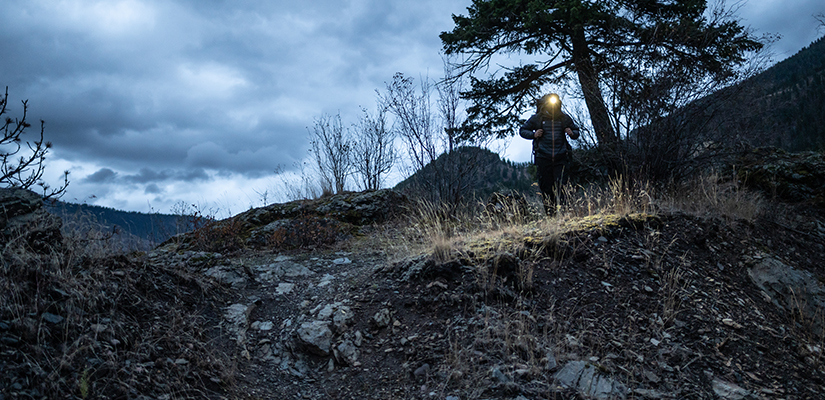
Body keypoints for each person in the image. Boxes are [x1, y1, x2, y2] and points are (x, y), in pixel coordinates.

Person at [519, 93, 580, 215]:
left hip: (561, 157)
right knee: (546, 189)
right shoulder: (537, 118)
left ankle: (565, 215)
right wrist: (533, 134)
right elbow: (522, 130)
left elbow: (576, 131)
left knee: (563, 187)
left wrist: (572, 133)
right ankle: (550, 216)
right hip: (543, 157)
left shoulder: (564, 118)